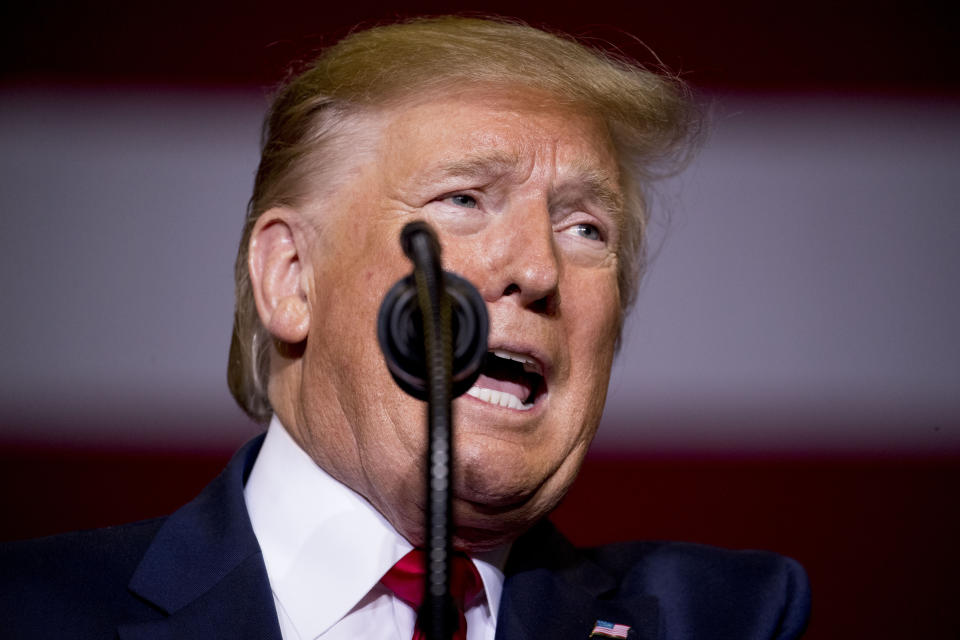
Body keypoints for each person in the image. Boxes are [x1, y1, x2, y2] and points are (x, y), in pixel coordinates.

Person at [1, 16, 810, 639]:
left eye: (584, 229)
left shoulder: (726, 618)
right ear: (291, 280)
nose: (536, 269)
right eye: (463, 199)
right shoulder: (30, 613)